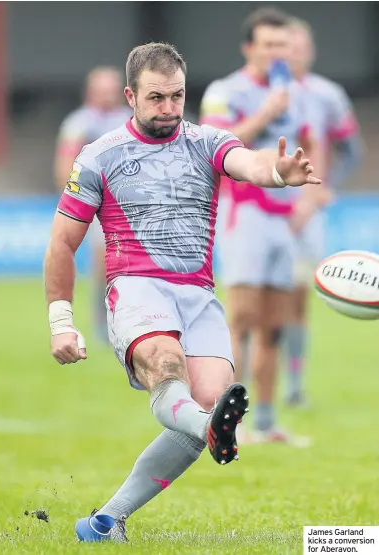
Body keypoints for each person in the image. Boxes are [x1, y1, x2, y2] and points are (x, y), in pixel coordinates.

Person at [44, 42, 321, 542]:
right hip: (136, 286)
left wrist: (279, 172)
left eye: (177, 96)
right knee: (168, 371)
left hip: (197, 293)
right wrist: (60, 321)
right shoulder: (98, 156)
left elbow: (250, 164)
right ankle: (211, 427)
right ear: (131, 96)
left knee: (208, 403)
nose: (169, 108)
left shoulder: (207, 141)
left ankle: (105, 521)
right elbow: (63, 242)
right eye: (156, 98)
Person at [200, 7, 325, 443]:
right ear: (249, 48)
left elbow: (311, 141)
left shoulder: (296, 91)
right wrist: (266, 112)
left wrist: (311, 196)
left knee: (276, 322)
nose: (278, 53)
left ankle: (267, 421)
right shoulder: (224, 90)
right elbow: (215, 146)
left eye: (283, 46)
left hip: (284, 219)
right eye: (269, 45)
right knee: (243, 318)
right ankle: (226, 422)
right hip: (244, 213)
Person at [284, 18, 363, 406]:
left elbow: (352, 150)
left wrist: (323, 190)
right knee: (253, 304)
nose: (293, 53)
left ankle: (294, 386)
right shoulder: (254, 92)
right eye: (286, 45)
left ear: (310, 51)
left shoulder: (327, 95)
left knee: (298, 299)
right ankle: (242, 384)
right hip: (259, 212)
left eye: (300, 46)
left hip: (306, 212)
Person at [54, 67, 132, 342]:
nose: (109, 95)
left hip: (133, 205)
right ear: (90, 92)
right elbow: (65, 165)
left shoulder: (129, 119)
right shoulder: (79, 123)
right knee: (106, 265)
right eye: (103, 89)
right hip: (99, 205)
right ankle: (104, 324)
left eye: (112, 89)